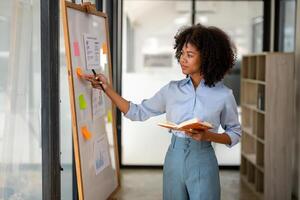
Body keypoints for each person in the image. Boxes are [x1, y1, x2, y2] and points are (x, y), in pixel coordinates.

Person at [84, 23, 241, 200]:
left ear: (207, 58)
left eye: (189, 55)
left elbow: (234, 133)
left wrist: (209, 136)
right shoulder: (172, 90)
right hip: (174, 159)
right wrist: (107, 89)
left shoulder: (224, 95)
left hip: (204, 161)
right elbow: (137, 112)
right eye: (182, 53)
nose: (183, 59)